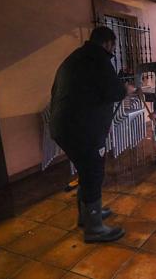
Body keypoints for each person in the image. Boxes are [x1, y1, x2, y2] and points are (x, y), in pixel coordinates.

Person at [50, 26, 133, 243]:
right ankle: (94, 228)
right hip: (83, 130)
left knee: (86, 171)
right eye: (113, 46)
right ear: (108, 43)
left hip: (64, 127)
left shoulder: (75, 58)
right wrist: (126, 89)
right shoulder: (98, 59)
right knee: (94, 172)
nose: (113, 50)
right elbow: (113, 91)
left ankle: (85, 216)